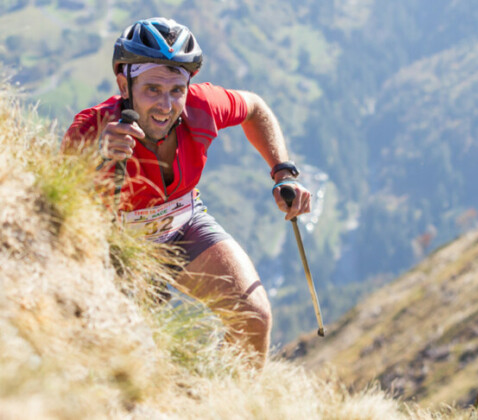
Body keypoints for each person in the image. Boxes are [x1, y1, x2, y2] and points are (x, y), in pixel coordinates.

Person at [62, 17, 312, 367]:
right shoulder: (92, 128)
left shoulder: (202, 104)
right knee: (132, 351)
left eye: (176, 90)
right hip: (117, 243)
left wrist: (283, 172)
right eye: (152, 89)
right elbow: (60, 200)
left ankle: (232, 396)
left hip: (184, 223)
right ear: (124, 85)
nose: (166, 105)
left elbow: (255, 108)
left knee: (253, 318)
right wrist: (96, 156)